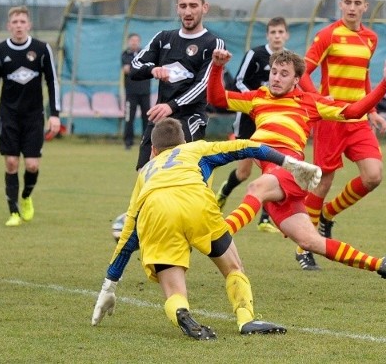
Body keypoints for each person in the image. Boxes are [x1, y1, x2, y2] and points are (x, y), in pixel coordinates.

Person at [91, 118, 322, 340]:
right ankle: (245, 319)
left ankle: (182, 312)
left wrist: (109, 286)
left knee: (174, 292)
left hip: (157, 212)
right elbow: (248, 147)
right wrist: (289, 163)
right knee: (233, 267)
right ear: (183, 142)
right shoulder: (196, 149)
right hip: (196, 202)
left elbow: (130, 231)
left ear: (153, 149)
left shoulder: (145, 173)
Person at [207, 48, 386, 281]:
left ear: (296, 80)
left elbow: (354, 111)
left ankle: (220, 235)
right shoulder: (257, 97)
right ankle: (382, 264)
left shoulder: (310, 102)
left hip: (289, 169)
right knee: (310, 241)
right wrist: (217, 67)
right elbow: (217, 98)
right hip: (274, 176)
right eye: (274, 72)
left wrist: (385, 84)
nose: (276, 78)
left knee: (255, 189)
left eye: (284, 74)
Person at [295, 0, 386, 269]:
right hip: (331, 119)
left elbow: (363, 78)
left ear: (365, 6)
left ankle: (327, 215)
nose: (352, 7)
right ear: (340, 5)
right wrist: (316, 98)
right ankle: (304, 246)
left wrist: (372, 111)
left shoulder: (370, 39)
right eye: (347, 2)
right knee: (323, 181)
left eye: (357, 2)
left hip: (358, 120)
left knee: (373, 176)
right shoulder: (327, 35)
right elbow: (303, 70)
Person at [0, 5, 61, 227]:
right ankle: (13, 211)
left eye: (22, 22)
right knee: (12, 162)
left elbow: (52, 82)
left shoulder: (42, 49)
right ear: (8, 26)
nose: (18, 26)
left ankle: (25, 197)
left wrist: (55, 114)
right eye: (14, 22)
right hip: (8, 116)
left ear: (29, 25)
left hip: (34, 117)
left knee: (32, 165)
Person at [130, 0, 225, 170]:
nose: (188, 12)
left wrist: (171, 106)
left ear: (204, 8)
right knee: (145, 172)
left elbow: (202, 85)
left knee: (179, 173)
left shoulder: (213, 43)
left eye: (193, 5)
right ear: (177, 9)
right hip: (160, 116)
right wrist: (152, 70)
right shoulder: (163, 38)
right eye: (183, 6)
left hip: (190, 118)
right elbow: (135, 67)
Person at [215, 16, 290, 234]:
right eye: (273, 32)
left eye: (280, 32)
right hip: (250, 117)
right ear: (267, 35)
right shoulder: (255, 55)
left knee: (273, 169)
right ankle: (224, 192)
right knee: (244, 172)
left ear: (286, 35)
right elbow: (238, 80)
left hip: (274, 120)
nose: (277, 36)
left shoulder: (289, 60)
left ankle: (265, 219)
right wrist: (255, 100)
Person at [121, 33, 151, 149]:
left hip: (145, 92)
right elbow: (126, 70)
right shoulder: (125, 54)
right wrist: (141, 68)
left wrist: (137, 68)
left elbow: (148, 68)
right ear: (129, 41)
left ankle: (146, 142)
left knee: (147, 118)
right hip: (131, 92)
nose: (134, 42)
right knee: (129, 118)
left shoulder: (145, 54)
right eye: (132, 40)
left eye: (136, 40)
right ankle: (128, 142)